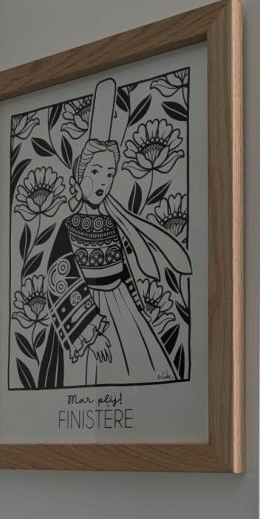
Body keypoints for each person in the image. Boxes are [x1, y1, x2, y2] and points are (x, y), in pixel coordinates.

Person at [38, 78, 191, 388]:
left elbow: (124, 274)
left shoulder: (111, 224)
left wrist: (139, 309)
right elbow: (59, 281)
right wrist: (90, 334)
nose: (102, 182)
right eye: (95, 172)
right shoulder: (69, 227)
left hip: (124, 312)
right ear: (80, 174)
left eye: (108, 175)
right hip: (89, 317)